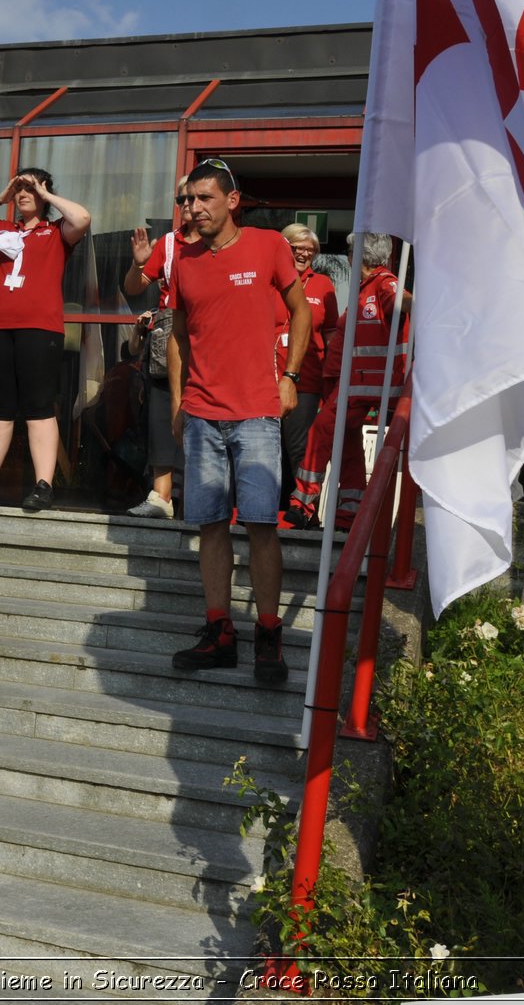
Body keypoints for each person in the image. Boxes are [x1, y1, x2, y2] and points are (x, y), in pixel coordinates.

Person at [168, 159, 310, 683]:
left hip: (256, 412)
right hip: (202, 413)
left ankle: (268, 633)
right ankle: (219, 630)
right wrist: (178, 403)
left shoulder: (269, 244)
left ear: (233, 200)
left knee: (260, 525)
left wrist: (290, 375)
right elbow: (180, 336)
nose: (194, 208)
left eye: (204, 198)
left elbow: (302, 310)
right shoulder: (183, 261)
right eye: (187, 200)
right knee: (209, 526)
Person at [0, 167, 92, 511]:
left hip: (40, 329)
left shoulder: (57, 231)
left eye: (30, 187)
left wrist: (46, 195)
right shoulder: (1, 229)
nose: (23, 192)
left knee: (39, 407)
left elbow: (83, 217)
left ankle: (44, 484)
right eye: (20, 187)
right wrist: (0, 196)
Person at [287, 233, 408, 533]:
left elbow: (399, 301)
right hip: (346, 384)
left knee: (321, 432)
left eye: (350, 252)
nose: (349, 257)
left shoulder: (383, 283)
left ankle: (302, 505)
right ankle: (347, 517)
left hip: (362, 386)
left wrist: (424, 302)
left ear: (359, 257)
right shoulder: (362, 288)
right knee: (348, 448)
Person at [120, 177, 197, 519]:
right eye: (182, 199)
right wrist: (139, 263)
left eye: (194, 197)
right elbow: (134, 288)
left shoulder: (227, 242)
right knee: (163, 414)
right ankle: (162, 496)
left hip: (210, 334)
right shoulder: (168, 244)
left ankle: (199, 496)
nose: (188, 205)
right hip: (169, 336)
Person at [274, 224, 337, 500]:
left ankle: (302, 510)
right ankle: (263, 509)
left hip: (307, 382)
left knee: (299, 448)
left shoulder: (323, 284)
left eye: (309, 251)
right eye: (297, 248)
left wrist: (335, 379)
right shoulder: (269, 279)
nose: (303, 254)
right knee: (265, 448)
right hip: (267, 378)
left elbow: (333, 333)